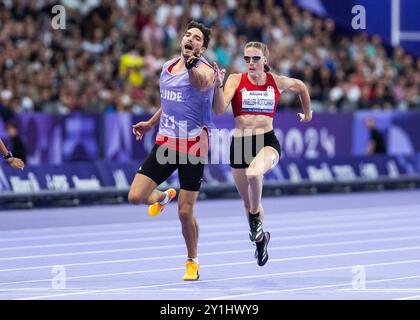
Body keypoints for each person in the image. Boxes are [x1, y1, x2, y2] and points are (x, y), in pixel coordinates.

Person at [128, 21, 217, 281]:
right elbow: (169, 102)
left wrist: (192, 66)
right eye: (188, 35)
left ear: (203, 47)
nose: (191, 38)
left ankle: (192, 261)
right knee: (135, 196)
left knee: (185, 212)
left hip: (193, 146)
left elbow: (199, 84)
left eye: (197, 38)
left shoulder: (207, 71)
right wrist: (150, 123)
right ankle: (162, 198)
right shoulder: (167, 67)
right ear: (182, 39)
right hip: (166, 142)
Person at [213, 41, 312, 266]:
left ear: (265, 60)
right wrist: (218, 85)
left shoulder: (276, 81)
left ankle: (256, 222)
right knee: (248, 203)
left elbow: (302, 87)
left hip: (267, 141)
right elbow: (219, 110)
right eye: (247, 59)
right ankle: (261, 239)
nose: (250, 63)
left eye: (255, 59)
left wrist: (308, 115)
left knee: (254, 174)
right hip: (240, 144)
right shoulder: (236, 80)